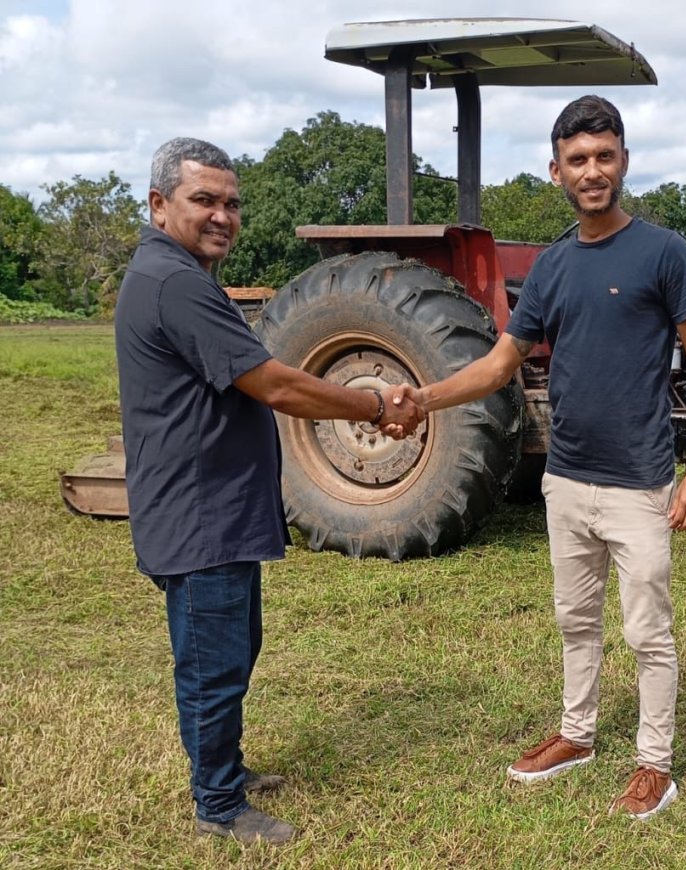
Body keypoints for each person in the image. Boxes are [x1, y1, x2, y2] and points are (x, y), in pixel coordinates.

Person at [401, 96, 686, 820]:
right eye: (578, 159)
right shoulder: (550, 266)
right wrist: (424, 398)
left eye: (604, 156)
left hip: (640, 482)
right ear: (556, 172)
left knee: (647, 631)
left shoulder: (663, 252)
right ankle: (577, 736)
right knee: (576, 620)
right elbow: (498, 364)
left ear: (624, 162)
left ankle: (654, 764)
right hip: (567, 480)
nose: (593, 170)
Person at [114, 138, 423, 845]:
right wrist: (375, 406)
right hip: (198, 512)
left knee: (233, 646)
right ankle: (218, 805)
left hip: (216, 504)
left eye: (231, 202)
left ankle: (225, 764)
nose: (222, 215)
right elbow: (274, 383)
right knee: (212, 661)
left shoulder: (176, 274)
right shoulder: (176, 283)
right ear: (160, 204)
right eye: (204, 200)